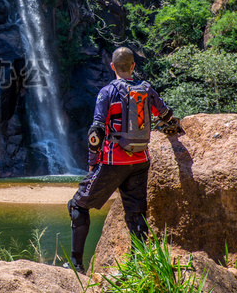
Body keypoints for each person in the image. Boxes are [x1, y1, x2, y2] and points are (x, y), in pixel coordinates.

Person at [66, 47, 176, 273]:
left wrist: (92, 160)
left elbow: (96, 131)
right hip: (140, 161)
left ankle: (76, 265)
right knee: (136, 213)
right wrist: (174, 129)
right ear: (133, 66)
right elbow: (166, 115)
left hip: (113, 162)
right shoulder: (146, 89)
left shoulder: (108, 92)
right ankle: (140, 266)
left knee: (77, 205)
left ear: (112, 66)